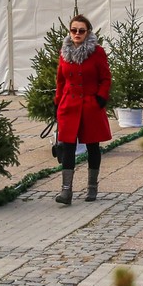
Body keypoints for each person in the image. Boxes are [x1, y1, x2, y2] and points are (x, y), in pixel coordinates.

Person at [54, 14, 111, 205]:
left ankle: (92, 188)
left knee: (92, 146)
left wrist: (100, 98)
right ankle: (66, 191)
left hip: (90, 106)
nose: (77, 34)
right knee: (67, 146)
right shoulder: (64, 52)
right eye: (73, 30)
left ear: (88, 32)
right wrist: (57, 101)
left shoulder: (97, 52)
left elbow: (105, 78)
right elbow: (61, 81)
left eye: (81, 31)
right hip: (69, 105)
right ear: (69, 32)